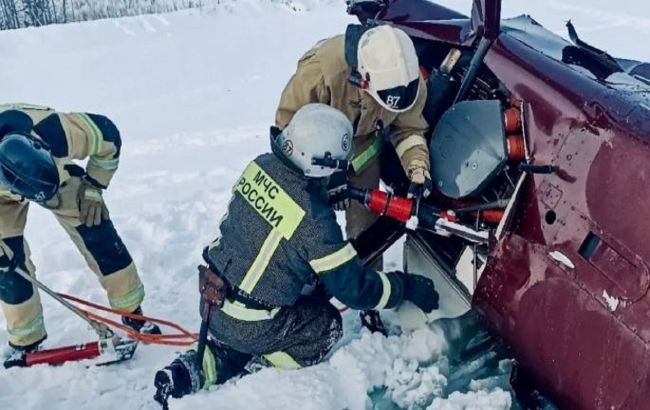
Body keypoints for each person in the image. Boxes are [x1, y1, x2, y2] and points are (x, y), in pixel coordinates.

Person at [153, 104, 439, 402]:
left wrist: (320, 190)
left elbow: (280, 212)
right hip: (251, 322)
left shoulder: (261, 165)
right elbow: (354, 290)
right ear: (320, 164)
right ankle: (258, 368)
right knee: (325, 325)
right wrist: (405, 287)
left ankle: (195, 368)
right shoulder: (314, 222)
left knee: (294, 288)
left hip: (213, 302)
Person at [0, 103, 160, 368]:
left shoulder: (59, 132)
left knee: (95, 227)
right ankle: (26, 339)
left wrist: (94, 187)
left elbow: (109, 136)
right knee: (8, 266)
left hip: (56, 177)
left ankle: (132, 311)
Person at [276, 24, 433, 271]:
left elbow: (409, 129)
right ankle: (293, 274)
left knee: (366, 226)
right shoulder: (322, 71)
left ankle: (366, 282)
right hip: (311, 148)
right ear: (363, 80)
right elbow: (288, 128)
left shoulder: (408, 82)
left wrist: (418, 170)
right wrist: (329, 173)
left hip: (363, 146)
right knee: (305, 221)